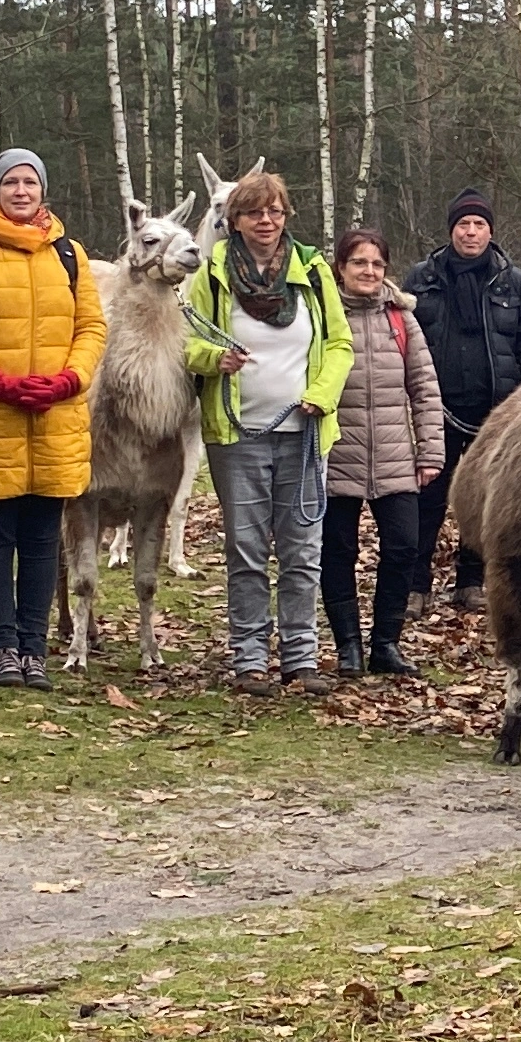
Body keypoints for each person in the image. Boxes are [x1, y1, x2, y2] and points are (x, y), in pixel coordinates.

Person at [0, 147, 105, 690]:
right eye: (12, 183)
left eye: (31, 182)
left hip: (55, 418)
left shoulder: (71, 256)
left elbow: (91, 329)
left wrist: (70, 379)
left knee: (42, 539)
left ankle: (34, 648)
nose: (22, 191)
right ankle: (2, 647)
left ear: (42, 190)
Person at [184, 168, 353, 695]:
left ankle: (301, 657)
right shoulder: (211, 273)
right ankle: (250, 658)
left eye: (275, 211)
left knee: (303, 550)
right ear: (233, 219)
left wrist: (321, 396)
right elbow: (184, 342)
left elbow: (340, 345)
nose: (266, 220)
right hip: (238, 437)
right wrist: (215, 359)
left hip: (303, 435)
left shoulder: (312, 270)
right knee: (247, 551)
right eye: (254, 211)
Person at [401, 189, 521, 615]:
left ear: (490, 231)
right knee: (427, 498)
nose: (471, 231)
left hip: (495, 413)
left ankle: (471, 580)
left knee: (485, 500)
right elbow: (403, 338)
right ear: (451, 230)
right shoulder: (422, 277)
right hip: (436, 408)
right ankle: (415, 584)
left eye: (479, 224)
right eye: (463, 224)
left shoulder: (511, 280)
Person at [323, 227, 446, 678]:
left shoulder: (401, 318)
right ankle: (348, 647)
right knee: (337, 552)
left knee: (403, 547)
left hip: (396, 456)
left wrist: (430, 451)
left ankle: (386, 644)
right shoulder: (324, 318)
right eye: (359, 262)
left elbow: (425, 390)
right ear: (341, 268)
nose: (369, 271)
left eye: (376, 264)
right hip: (338, 454)